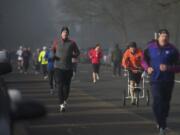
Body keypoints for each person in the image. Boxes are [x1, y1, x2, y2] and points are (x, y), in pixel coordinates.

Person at [142, 29, 180, 135]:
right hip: (155, 80)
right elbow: (143, 60)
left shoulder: (173, 50)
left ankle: (162, 120)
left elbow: (178, 67)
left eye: (166, 36)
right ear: (158, 37)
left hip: (168, 80)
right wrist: (147, 68)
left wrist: (168, 68)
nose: (165, 38)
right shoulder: (150, 48)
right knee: (157, 101)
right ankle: (162, 125)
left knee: (166, 103)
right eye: (163, 36)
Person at [52, 26, 80, 112]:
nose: (65, 34)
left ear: (68, 34)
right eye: (63, 32)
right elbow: (52, 51)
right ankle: (61, 105)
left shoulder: (72, 43)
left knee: (67, 87)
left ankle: (64, 100)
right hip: (58, 67)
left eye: (66, 32)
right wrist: (54, 57)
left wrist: (72, 56)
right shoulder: (56, 42)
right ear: (61, 34)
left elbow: (77, 52)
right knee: (60, 85)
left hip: (68, 68)